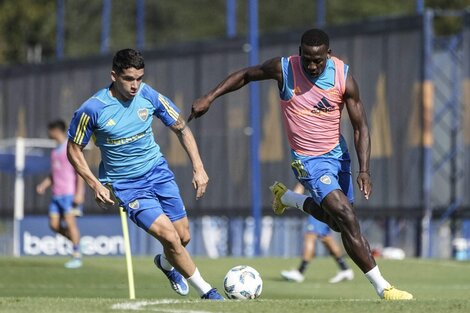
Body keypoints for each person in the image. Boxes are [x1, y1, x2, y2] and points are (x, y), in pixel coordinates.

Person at [189, 29, 412, 300]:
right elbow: (246, 75)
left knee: (339, 224)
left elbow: (360, 126)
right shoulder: (284, 69)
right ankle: (384, 288)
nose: (312, 65)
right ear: (300, 52)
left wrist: (364, 170)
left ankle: (289, 198)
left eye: (318, 60)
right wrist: (209, 97)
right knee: (347, 217)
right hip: (308, 160)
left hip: (338, 157)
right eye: (307, 58)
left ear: (328, 55)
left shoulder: (343, 77)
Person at [66, 49, 223, 300]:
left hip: (158, 173)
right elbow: (73, 150)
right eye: (129, 79)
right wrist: (95, 184)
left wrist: (199, 166)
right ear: (114, 76)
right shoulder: (92, 109)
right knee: (169, 236)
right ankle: (209, 292)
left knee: (183, 237)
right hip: (127, 186)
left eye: (139, 78)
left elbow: (181, 128)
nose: (135, 85)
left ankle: (165, 263)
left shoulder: (148, 95)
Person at [280, 183, 354, 283]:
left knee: (310, 236)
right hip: (327, 205)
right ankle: (345, 269)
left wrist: (286, 199)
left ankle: (300, 272)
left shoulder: (308, 169)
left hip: (318, 207)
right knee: (326, 238)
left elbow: (298, 191)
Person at [36, 119, 85, 269]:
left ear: (56, 131)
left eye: (50, 131)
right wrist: (44, 185)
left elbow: (80, 171)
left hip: (69, 194)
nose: (49, 134)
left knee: (70, 224)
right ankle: (77, 243)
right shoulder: (54, 151)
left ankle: (76, 256)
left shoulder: (69, 148)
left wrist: (79, 193)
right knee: (54, 225)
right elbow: (54, 173)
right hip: (56, 194)